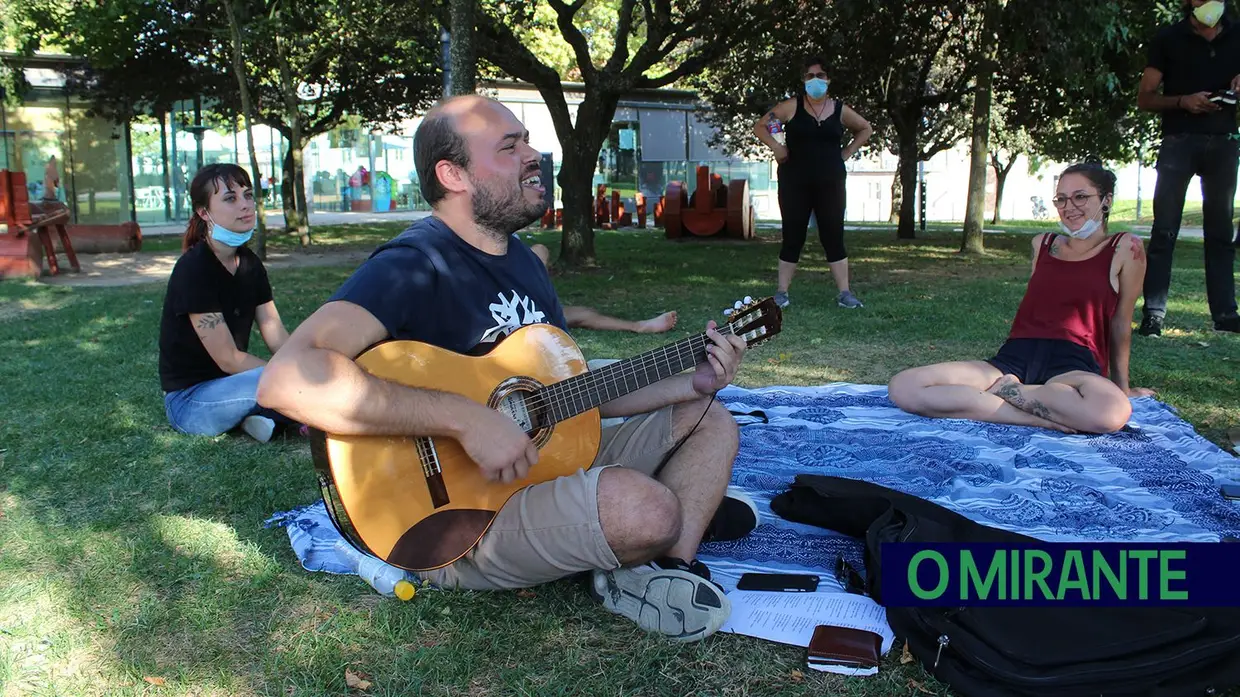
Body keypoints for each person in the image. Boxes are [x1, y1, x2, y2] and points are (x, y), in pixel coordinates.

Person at [256, 95, 757, 642]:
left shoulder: (522, 261)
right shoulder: (414, 264)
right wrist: (467, 420)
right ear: (453, 174)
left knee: (710, 419)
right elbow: (287, 378)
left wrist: (693, 381)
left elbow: (564, 393)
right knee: (648, 508)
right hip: (457, 519)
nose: (533, 154)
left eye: (528, 141)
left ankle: (663, 573)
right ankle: (650, 531)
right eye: (509, 146)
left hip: (544, 466)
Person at [887, 163, 1156, 435]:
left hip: (1073, 363)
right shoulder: (1043, 244)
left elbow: (1121, 322)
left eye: (1081, 196)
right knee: (905, 387)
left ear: (1106, 200)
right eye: (1061, 198)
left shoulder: (1125, 247)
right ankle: (1027, 413)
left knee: (1112, 412)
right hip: (1016, 357)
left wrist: (1122, 388)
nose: (1069, 206)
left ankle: (1010, 395)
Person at [158, 163, 292, 443]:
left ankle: (256, 418)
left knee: (299, 378)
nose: (245, 205)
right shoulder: (193, 269)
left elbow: (274, 330)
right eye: (230, 198)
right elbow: (228, 359)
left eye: (248, 195)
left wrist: (303, 360)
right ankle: (268, 412)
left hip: (233, 386)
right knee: (289, 384)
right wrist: (290, 375)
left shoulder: (250, 264)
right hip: (189, 401)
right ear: (203, 212)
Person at [1136, 0, 1240, 335]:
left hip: (1224, 141)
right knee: (1164, 231)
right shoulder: (1168, 38)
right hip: (1178, 142)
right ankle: (1153, 315)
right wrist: (1182, 101)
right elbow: (1145, 97)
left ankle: (1225, 315)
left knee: (1221, 234)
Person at [753, 55, 873, 310]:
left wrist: (846, 153)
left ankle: (845, 293)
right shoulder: (791, 107)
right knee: (793, 234)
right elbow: (763, 126)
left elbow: (865, 129)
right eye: (810, 76)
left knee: (833, 235)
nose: (815, 80)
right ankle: (782, 293)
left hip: (831, 183)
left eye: (820, 76)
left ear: (828, 80)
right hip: (795, 181)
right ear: (803, 80)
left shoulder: (839, 110)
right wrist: (777, 146)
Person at [528, 242, 678, 334]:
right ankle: (639, 326)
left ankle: (640, 326)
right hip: (516, 315)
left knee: (585, 313)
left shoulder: (512, 240)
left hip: (532, 309)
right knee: (539, 250)